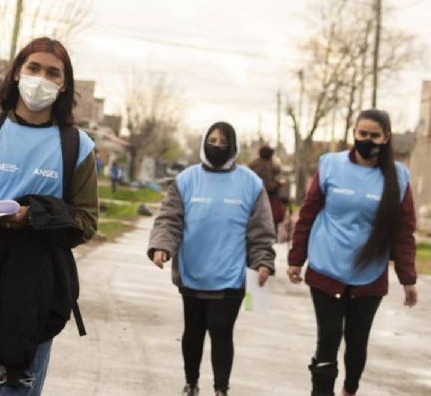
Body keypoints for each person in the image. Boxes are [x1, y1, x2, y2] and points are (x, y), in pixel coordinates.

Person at [0, 37, 98, 396]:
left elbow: (87, 223)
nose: (41, 78)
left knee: (16, 388)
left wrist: (32, 217)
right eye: (33, 68)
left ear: (64, 85)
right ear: (16, 73)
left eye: (52, 72)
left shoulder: (76, 146)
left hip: (36, 291)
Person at [287, 109, 417, 396]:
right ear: (354, 134)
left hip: (368, 275)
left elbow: (403, 231)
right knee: (328, 338)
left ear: (386, 138)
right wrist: (297, 259)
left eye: (374, 136)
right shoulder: (331, 166)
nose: (367, 140)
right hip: (326, 268)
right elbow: (307, 214)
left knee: (357, 342)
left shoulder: (399, 177)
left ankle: (350, 389)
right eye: (362, 134)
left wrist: (408, 278)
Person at [148, 122, 276, 396]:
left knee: (221, 329)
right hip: (193, 270)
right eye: (212, 140)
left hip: (231, 275)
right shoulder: (186, 180)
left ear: (234, 146)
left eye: (223, 141)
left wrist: (263, 263)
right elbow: (170, 219)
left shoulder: (251, 183)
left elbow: (262, 230)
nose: (217, 145)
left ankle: (220, 389)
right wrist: (162, 247)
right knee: (193, 330)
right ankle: (191, 383)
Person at [248, 144, 287, 235]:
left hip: (252, 201)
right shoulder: (266, 166)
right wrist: (279, 183)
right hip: (266, 202)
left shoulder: (254, 164)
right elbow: (267, 186)